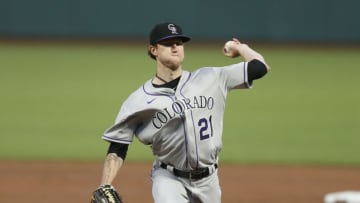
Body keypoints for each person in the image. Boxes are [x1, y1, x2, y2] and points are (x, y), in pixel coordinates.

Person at [93, 22, 270, 203]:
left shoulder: (212, 77)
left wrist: (241, 48)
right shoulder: (138, 101)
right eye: (168, 43)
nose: (175, 47)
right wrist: (105, 184)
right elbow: (117, 147)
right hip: (168, 179)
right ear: (154, 50)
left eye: (179, 42)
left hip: (209, 180)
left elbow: (260, 67)